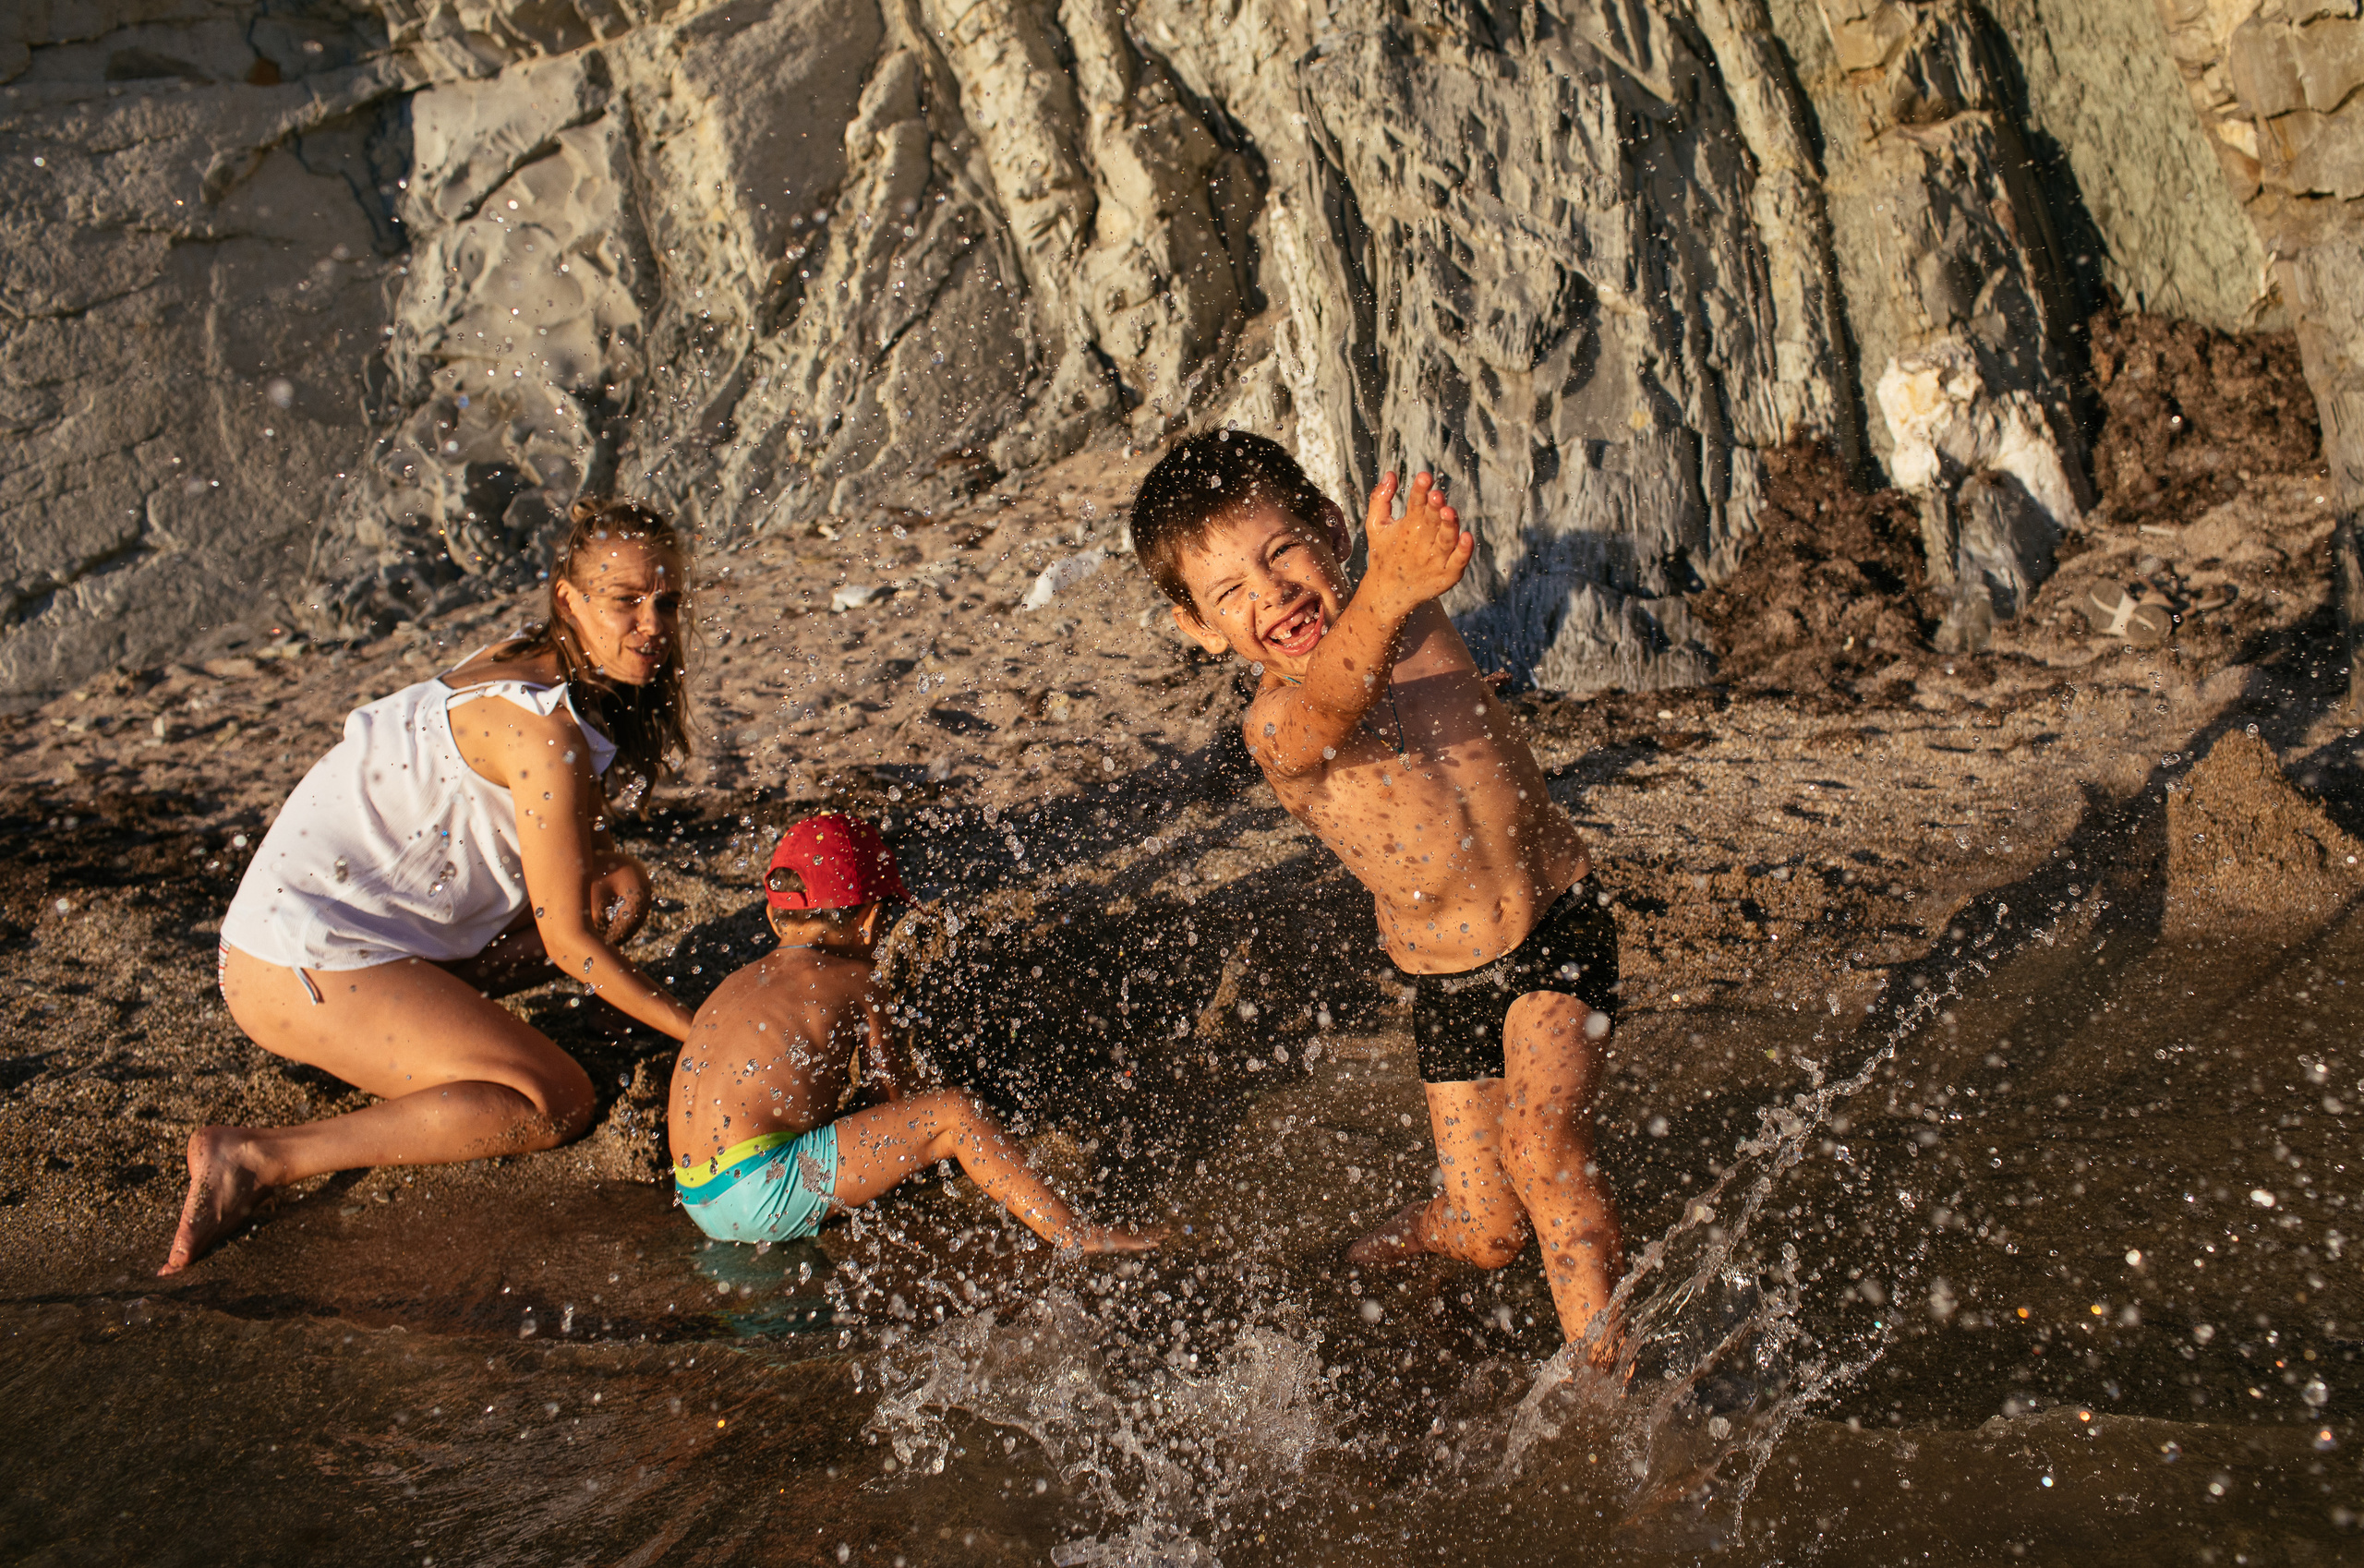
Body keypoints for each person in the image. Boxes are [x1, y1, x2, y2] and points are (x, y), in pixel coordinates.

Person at [1128, 430, 1624, 1361]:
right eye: (1229, 593)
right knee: (1490, 1237)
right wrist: (1392, 585)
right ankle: (1412, 1234)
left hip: (1554, 921)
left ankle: (1609, 1393)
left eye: (1280, 553)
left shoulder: (1413, 616)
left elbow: (1385, 606)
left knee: (1542, 1150)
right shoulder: (1275, 728)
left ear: (1328, 529)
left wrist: (1405, 560)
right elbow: (1332, 701)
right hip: (1448, 987)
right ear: (1198, 628)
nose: (1268, 594)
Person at [163, 497, 700, 1274]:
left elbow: (576, 879)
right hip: (296, 960)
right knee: (555, 1101)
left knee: (613, 894)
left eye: (667, 601)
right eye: (626, 601)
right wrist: (699, 1032)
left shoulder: (535, 660)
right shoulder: (539, 731)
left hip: (330, 932)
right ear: (570, 600)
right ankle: (257, 1156)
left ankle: (433, 1013)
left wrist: (611, 862)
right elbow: (568, 945)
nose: (653, 624)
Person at [669, 813, 1164, 1255]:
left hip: (695, 1194)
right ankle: (1076, 1234)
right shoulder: (857, 979)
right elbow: (892, 1098)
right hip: (763, 1191)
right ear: (869, 921)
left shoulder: (735, 983)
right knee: (954, 1116)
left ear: (776, 915)